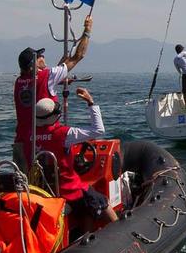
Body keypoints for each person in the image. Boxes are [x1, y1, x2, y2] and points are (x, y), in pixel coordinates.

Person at [33, 87, 117, 233]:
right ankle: (120, 231)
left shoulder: (31, 134)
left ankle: (85, 235)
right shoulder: (63, 134)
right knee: (101, 201)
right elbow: (98, 130)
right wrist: (91, 102)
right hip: (69, 189)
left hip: (45, 189)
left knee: (87, 206)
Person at [14, 15, 93, 165]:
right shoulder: (46, 76)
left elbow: (42, 84)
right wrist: (87, 30)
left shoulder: (19, 81)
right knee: (50, 180)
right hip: (45, 141)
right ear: (34, 65)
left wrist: (60, 76)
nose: (43, 57)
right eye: (39, 56)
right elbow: (78, 56)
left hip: (22, 142)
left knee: (23, 183)